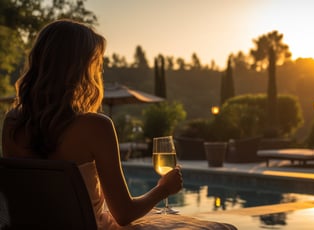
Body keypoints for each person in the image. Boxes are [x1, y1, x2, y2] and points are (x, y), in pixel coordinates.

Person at [1, 19, 183, 228]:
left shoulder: (12, 124)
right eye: (95, 64)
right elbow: (124, 213)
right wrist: (164, 189)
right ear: (80, 69)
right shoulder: (96, 127)